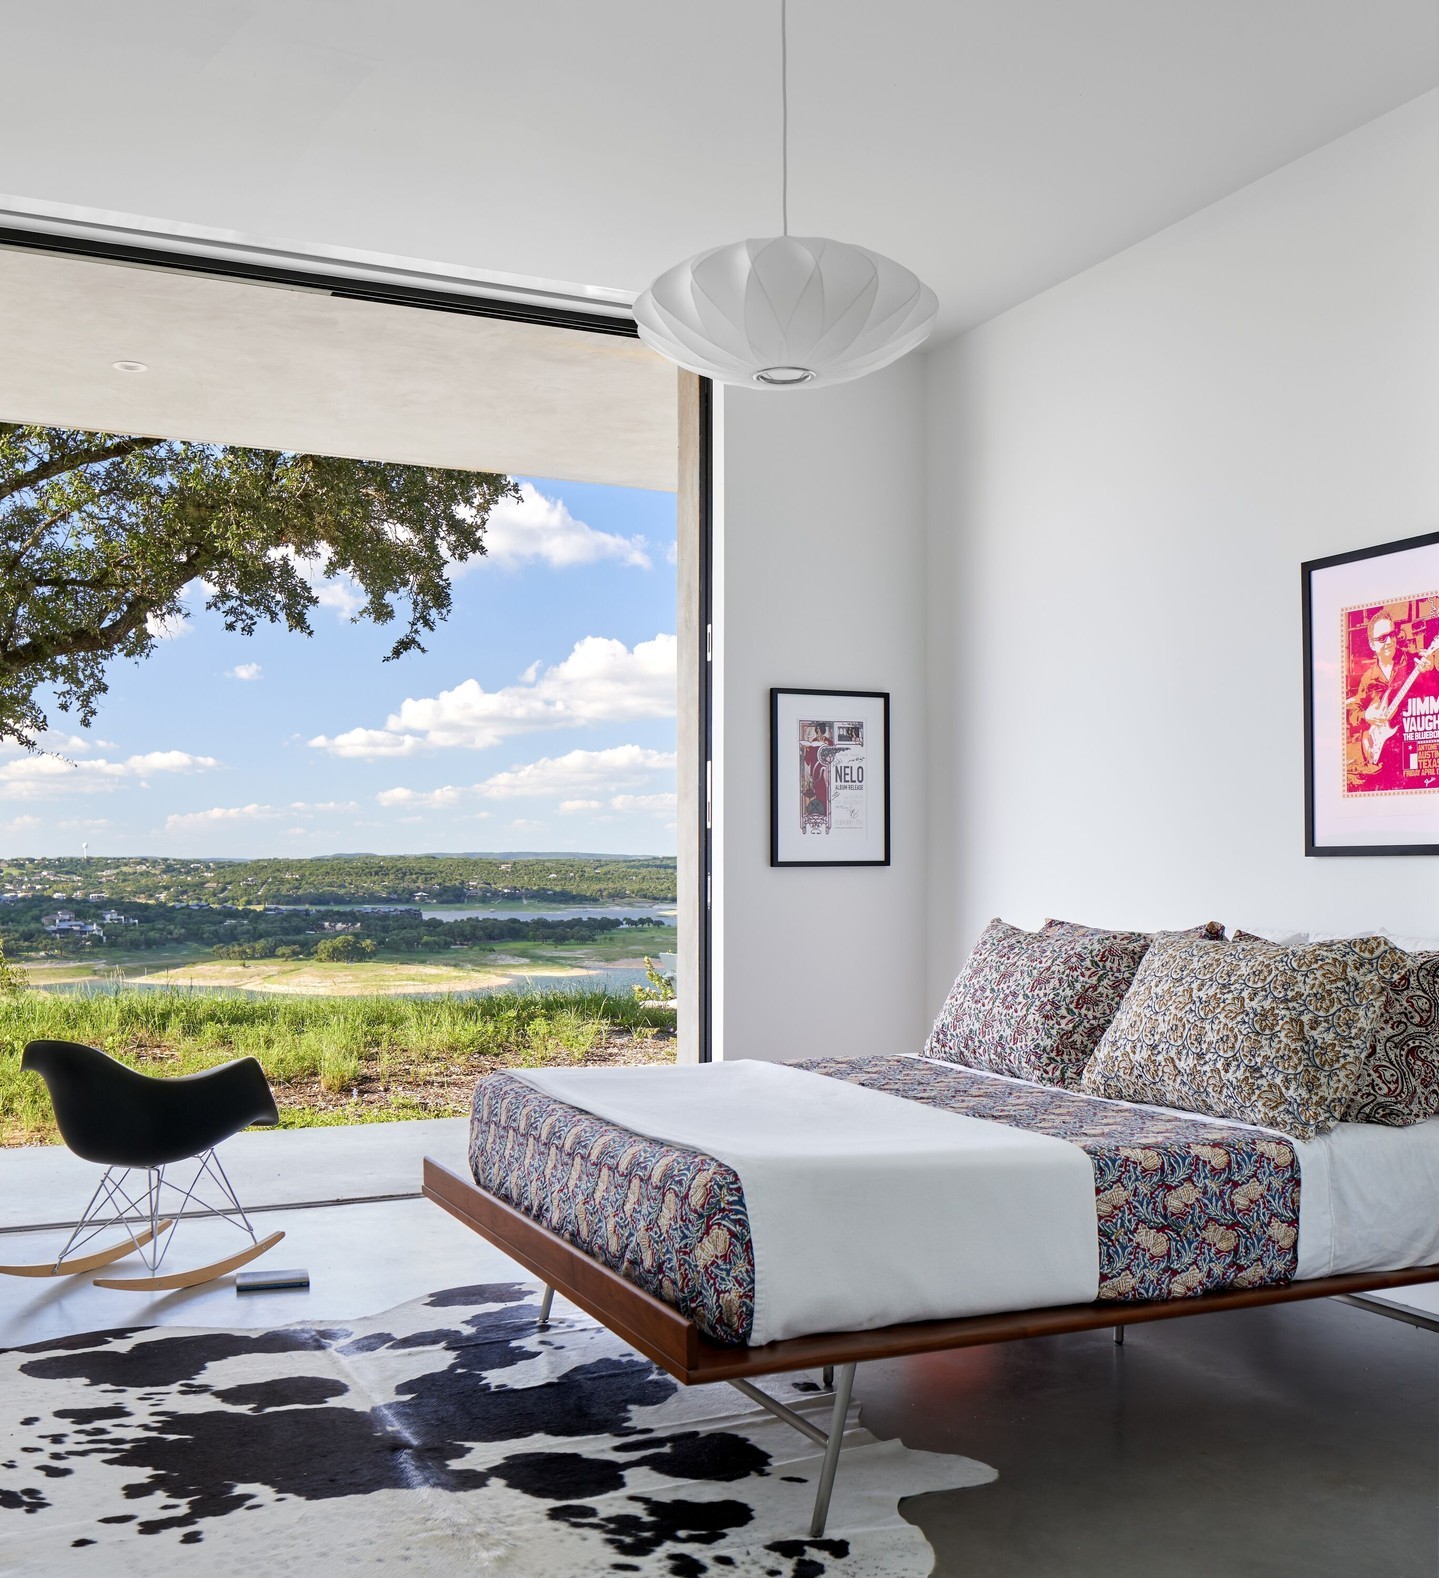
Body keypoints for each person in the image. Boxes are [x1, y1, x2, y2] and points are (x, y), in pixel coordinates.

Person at [1347, 613, 1435, 790]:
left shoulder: (1414, 662)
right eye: (1382, 638)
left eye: (1392, 634)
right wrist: (1367, 715)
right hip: (1380, 755)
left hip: (1410, 748)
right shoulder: (1368, 678)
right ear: (1372, 644)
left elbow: (1434, 694)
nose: (1389, 641)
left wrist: (1431, 671)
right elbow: (1354, 712)